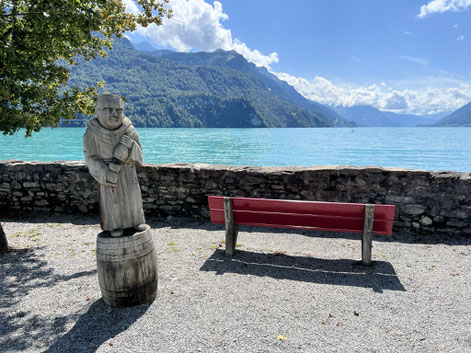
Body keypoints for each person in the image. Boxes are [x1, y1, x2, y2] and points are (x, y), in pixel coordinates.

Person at [83, 94, 146, 237]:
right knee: (112, 202)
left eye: (119, 110)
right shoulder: (92, 132)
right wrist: (104, 173)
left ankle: (136, 220)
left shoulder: (129, 129)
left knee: (133, 198)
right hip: (109, 172)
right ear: (98, 111)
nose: (114, 114)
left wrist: (130, 147)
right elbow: (91, 157)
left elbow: (140, 155)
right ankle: (114, 225)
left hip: (128, 171)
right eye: (108, 109)